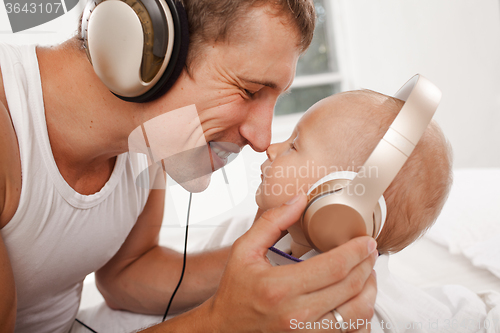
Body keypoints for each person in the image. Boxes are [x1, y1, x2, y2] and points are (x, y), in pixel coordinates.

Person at [0, 0, 378, 332]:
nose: (262, 139)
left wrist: (285, 262)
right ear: (145, 43)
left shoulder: (151, 139)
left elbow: (126, 274)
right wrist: (221, 322)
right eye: (249, 91)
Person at [255, 90, 482, 331]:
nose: (271, 147)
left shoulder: (359, 314)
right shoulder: (271, 240)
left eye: (294, 145)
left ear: (345, 202)